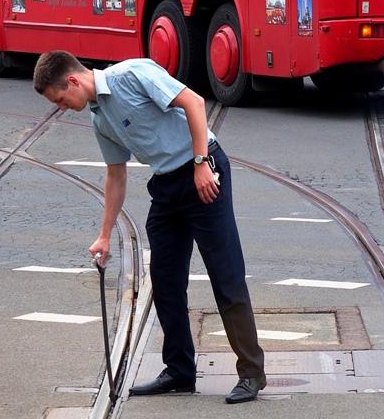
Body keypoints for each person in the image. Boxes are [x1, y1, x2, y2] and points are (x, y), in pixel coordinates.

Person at [33, 51, 266, 404]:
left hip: (204, 170)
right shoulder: (100, 119)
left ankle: (251, 373)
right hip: (166, 186)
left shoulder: (133, 74)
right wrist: (105, 235)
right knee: (165, 280)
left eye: (61, 100)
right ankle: (180, 371)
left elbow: (194, 102)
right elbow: (116, 175)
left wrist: (201, 163)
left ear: (73, 81)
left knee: (226, 274)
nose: (62, 107)